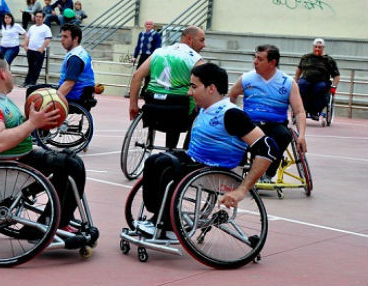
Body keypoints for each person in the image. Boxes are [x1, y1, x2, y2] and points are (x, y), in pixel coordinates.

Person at [137, 63, 279, 237]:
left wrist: (242, 189)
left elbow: (268, 148)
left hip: (218, 170)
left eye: (194, 87)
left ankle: (167, 225)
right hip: (198, 163)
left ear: (211, 88)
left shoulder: (231, 114)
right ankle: (159, 216)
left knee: (166, 165)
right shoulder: (204, 110)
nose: (189, 92)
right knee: (152, 161)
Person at [0, 51, 86, 232]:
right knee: (71, 164)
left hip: (18, 162)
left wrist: (36, 121)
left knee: (70, 160)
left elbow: (12, 130)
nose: (11, 74)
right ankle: (54, 223)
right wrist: (32, 123)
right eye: (9, 70)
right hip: (8, 170)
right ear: (2, 73)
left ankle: (55, 218)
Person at [229, 44, 307, 183]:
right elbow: (231, 96)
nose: (255, 61)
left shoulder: (287, 82)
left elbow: (299, 111)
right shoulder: (246, 78)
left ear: (272, 62)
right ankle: (242, 170)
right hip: (251, 122)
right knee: (242, 134)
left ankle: (268, 174)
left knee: (283, 135)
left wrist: (301, 135)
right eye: (255, 57)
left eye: (260, 59)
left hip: (276, 124)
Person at [129, 25, 205, 149]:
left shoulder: (159, 52)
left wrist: (133, 105)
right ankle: (185, 151)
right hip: (179, 111)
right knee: (200, 110)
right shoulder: (195, 59)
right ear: (190, 39)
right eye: (201, 40)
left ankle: (150, 140)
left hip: (152, 107)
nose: (204, 45)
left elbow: (137, 76)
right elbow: (202, 86)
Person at [294, 38, 340, 121]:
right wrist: (295, 80)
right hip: (306, 80)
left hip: (321, 82)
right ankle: (303, 107)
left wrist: (334, 87)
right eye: (316, 47)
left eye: (319, 47)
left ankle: (314, 111)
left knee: (319, 87)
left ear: (323, 48)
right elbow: (299, 69)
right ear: (313, 47)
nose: (317, 49)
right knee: (302, 85)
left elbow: (336, 75)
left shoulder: (329, 60)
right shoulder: (306, 57)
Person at [56, 23, 95, 109]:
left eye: (65, 37)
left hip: (73, 97)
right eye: (61, 36)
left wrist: (54, 100)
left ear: (75, 38)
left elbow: (69, 84)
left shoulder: (75, 58)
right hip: (82, 95)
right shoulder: (82, 53)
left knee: (34, 92)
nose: (62, 40)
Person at [128, 19, 161, 98]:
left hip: (150, 57)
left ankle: (144, 93)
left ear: (153, 26)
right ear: (145, 25)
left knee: (148, 76)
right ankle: (134, 92)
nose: (148, 25)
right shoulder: (141, 34)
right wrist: (134, 57)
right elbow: (138, 46)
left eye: (150, 24)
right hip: (142, 56)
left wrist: (154, 56)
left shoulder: (156, 34)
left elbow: (158, 46)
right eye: (147, 24)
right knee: (138, 74)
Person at [20, 10, 51, 88]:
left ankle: (33, 83)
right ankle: (27, 82)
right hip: (30, 50)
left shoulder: (46, 28)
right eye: (37, 16)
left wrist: (42, 48)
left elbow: (48, 39)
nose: (38, 18)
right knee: (30, 67)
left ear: (43, 18)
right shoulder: (32, 27)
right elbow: (27, 37)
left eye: (40, 17)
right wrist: (26, 46)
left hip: (39, 51)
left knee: (37, 67)